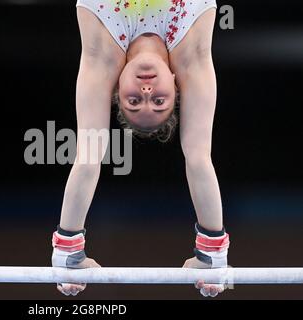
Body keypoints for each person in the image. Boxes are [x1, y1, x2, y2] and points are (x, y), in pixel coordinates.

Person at [51, 0, 230, 298]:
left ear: (117, 88)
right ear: (176, 85)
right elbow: (198, 157)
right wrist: (212, 256)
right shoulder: (192, 58)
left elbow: (88, 158)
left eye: (134, 101)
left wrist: (68, 253)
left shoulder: (101, 57)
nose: (146, 93)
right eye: (159, 101)